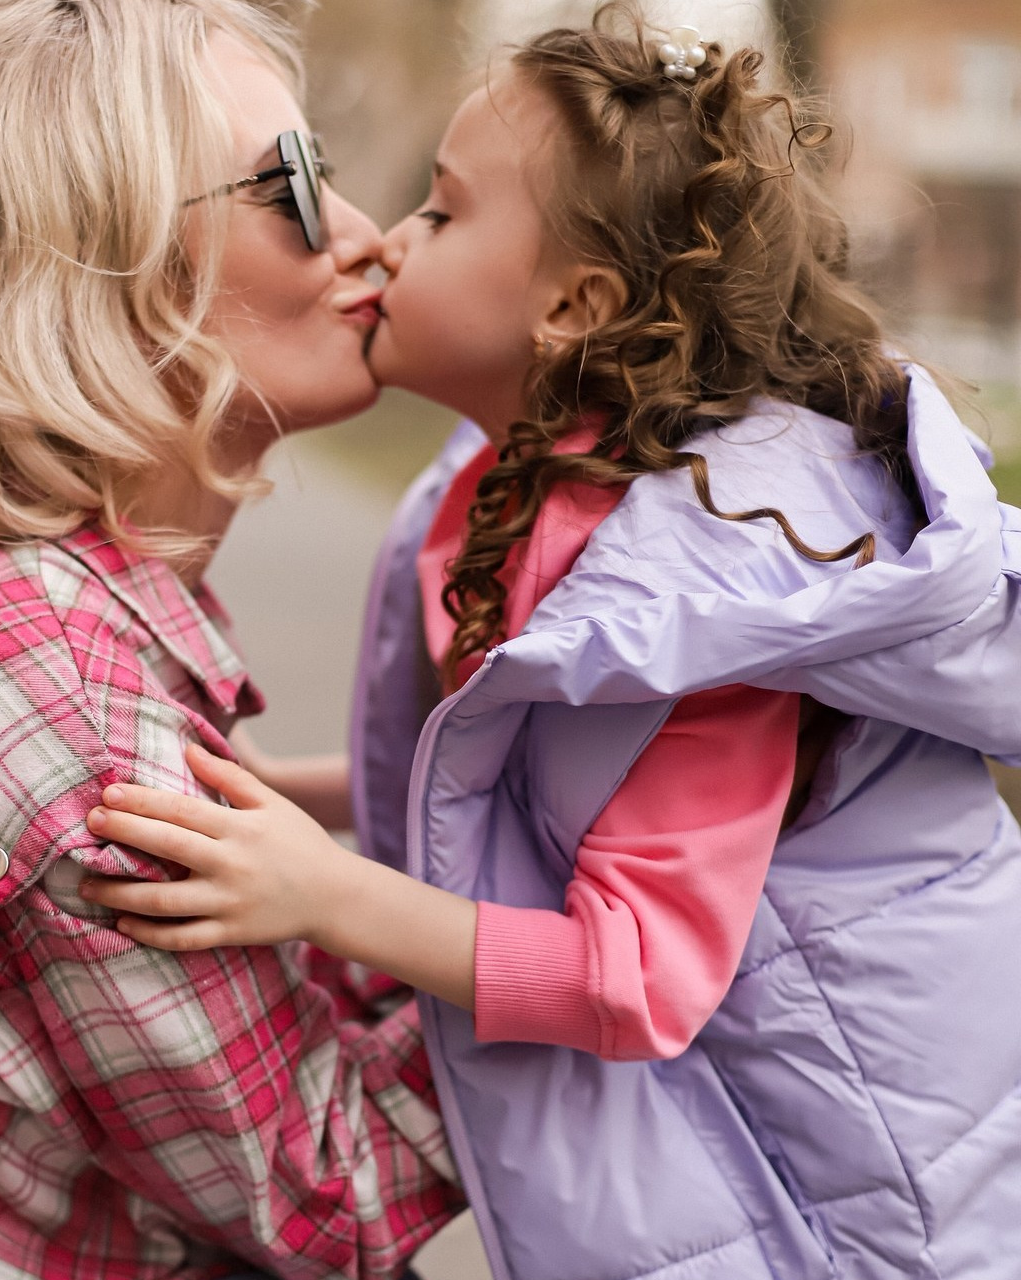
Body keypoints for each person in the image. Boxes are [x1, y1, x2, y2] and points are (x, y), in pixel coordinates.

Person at [80, 8, 1021, 1279]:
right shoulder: (514, 500)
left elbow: (637, 975)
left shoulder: (692, 611)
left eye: (439, 212)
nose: (379, 240)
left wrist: (319, 889)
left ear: (571, 306)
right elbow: (515, 797)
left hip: (867, 1211)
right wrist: (272, 801)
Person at [0, 1, 464, 1277]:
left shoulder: (20, 621)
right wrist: (600, 928)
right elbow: (329, 1193)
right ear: (94, 251)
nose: (365, 240)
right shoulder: (44, 691)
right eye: (292, 185)